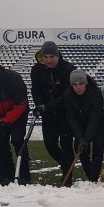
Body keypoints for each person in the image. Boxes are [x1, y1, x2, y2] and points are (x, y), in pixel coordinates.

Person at [30, 41, 76, 181]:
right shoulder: (37, 70)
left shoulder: (68, 69)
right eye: (45, 57)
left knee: (66, 144)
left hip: (66, 113)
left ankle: (67, 177)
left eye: (52, 56)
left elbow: (67, 96)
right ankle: (65, 163)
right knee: (49, 144)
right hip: (48, 114)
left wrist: (47, 106)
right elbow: (35, 90)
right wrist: (39, 105)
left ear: (57, 55)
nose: (48, 60)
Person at [64, 70, 104, 183]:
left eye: (81, 84)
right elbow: (71, 118)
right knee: (80, 150)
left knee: (98, 148)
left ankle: (94, 178)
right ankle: (92, 177)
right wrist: (80, 138)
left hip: (98, 125)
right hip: (80, 125)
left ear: (85, 83)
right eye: (75, 84)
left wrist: (87, 139)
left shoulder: (95, 93)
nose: (78, 87)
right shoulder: (68, 94)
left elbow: (95, 117)